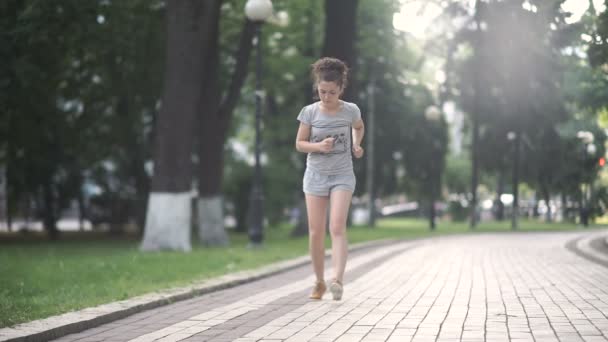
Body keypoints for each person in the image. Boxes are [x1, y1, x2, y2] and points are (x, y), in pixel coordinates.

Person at [295, 57, 365, 300]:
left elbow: (359, 127)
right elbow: (300, 144)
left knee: (336, 226)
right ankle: (319, 282)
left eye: (331, 92)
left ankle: (338, 280)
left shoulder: (351, 110)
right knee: (316, 232)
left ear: (341, 88)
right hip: (315, 176)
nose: (326, 97)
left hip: (342, 175)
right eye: (322, 92)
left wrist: (357, 145)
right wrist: (318, 147)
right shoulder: (309, 112)